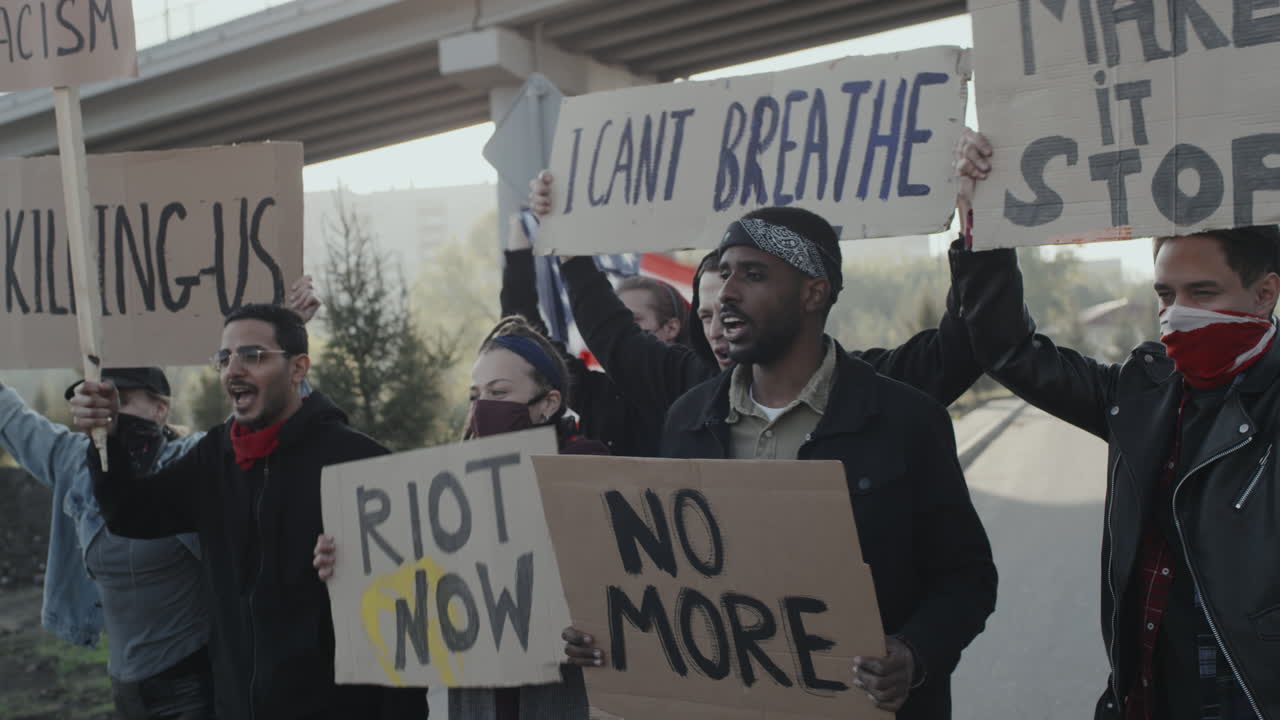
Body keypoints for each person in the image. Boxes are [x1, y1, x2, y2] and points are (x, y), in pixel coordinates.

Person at [565, 206, 999, 719]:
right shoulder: (688, 419)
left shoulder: (905, 420)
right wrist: (609, 634)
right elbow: (674, 591)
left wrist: (913, 653)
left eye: (752, 275)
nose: (726, 293)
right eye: (725, 273)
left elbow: (967, 578)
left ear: (813, 293)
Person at [954, 129, 1280, 719]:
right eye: (1166, 294)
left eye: (1202, 292)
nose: (1178, 314)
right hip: (1147, 695)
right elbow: (1010, 352)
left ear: (1264, 294)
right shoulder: (1140, 392)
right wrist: (983, 228)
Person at [71, 303, 426, 720]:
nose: (233, 370)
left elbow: (405, 621)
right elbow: (131, 513)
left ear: (298, 368)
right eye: (224, 358)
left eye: (253, 356)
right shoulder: (213, 458)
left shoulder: (359, 461)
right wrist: (107, 435)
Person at [0, 277, 319, 720]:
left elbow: (267, 423)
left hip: (192, 686)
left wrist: (284, 333)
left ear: (160, 408)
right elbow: (12, 419)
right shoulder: (75, 462)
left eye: (122, 399)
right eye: (100, 399)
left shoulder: (196, 461)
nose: (109, 410)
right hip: (125, 689)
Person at [517, 171, 1002, 459]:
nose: (727, 304)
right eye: (708, 307)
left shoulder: (882, 395)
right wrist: (566, 237)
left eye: (751, 277)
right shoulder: (689, 402)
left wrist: (979, 223)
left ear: (813, 295)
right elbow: (611, 332)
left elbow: (965, 345)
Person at [315, 315, 607, 720]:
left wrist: (597, 630)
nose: (482, 406)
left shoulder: (585, 465)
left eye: (498, 392)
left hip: (559, 696)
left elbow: (615, 589)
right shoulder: (447, 487)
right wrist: (348, 561)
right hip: (478, 698)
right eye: (475, 395)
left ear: (548, 403)